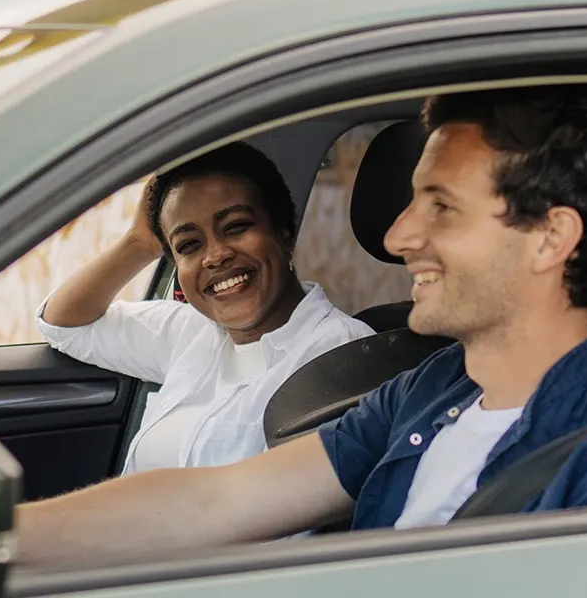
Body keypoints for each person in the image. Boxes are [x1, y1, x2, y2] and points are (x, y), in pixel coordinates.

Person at [15, 84, 587, 562]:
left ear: (549, 237)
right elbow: (216, 501)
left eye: (439, 206)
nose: (400, 234)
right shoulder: (436, 388)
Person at [40, 142, 374, 474]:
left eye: (235, 226)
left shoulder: (343, 353)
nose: (215, 256)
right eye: (189, 245)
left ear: (284, 234)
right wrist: (138, 244)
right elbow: (66, 325)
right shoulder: (188, 331)